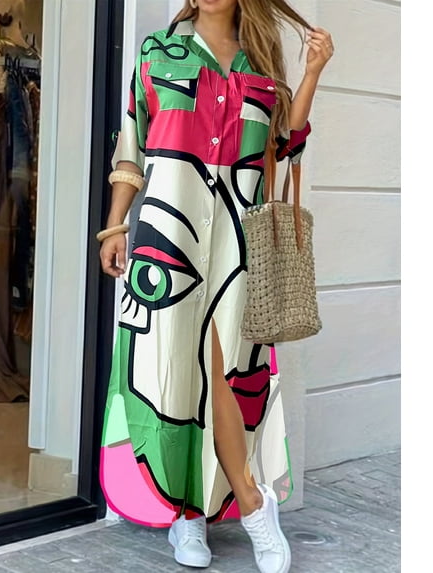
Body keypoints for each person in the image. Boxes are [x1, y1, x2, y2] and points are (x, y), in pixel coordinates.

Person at [97, 1, 333, 571]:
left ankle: (252, 504)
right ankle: (188, 515)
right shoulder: (157, 53)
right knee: (173, 373)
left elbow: (285, 144)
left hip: (238, 242)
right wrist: (115, 225)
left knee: (229, 372)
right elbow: (132, 146)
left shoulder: (261, 65)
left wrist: (312, 73)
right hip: (168, 239)